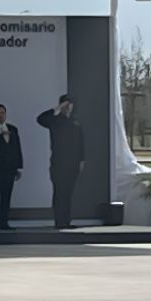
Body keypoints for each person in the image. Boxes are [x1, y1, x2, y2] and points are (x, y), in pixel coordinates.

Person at [37, 94, 85, 229]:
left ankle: (67, 221)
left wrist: (82, 159)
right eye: (66, 104)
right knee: (59, 193)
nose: (68, 107)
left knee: (68, 193)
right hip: (58, 164)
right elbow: (40, 119)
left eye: (70, 104)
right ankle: (59, 222)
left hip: (73, 164)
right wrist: (57, 108)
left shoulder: (76, 122)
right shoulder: (55, 121)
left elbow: (81, 142)